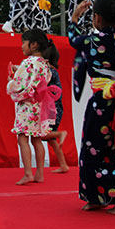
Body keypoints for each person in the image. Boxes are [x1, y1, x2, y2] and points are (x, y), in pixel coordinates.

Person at [68, 0, 115, 216]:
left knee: (92, 150)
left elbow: (72, 38)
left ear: (96, 18)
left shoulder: (91, 41)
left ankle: (107, 199)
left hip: (101, 103)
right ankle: (109, 199)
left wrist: (76, 15)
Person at [7, 29, 60, 185]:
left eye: (24, 42)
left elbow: (20, 84)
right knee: (37, 139)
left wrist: (11, 80)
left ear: (34, 44)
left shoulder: (28, 62)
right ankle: (40, 174)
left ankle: (28, 173)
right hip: (39, 105)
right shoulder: (45, 64)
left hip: (27, 106)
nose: (22, 46)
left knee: (22, 138)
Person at [41, 43, 69, 174]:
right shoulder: (53, 70)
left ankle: (60, 134)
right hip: (55, 107)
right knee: (50, 138)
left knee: (41, 135)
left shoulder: (47, 71)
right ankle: (63, 165)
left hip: (51, 109)